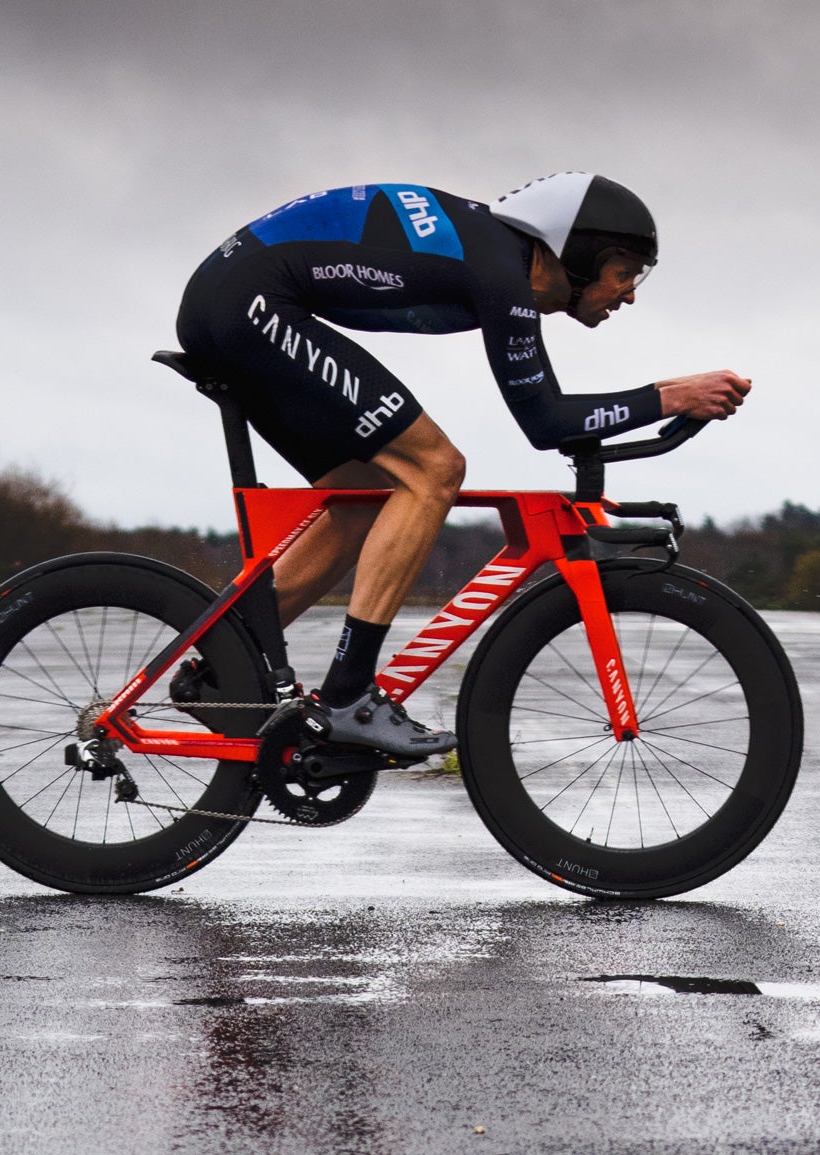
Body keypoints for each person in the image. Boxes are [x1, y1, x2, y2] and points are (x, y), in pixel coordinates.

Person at [173, 172, 752, 759]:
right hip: (249, 304)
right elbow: (546, 422)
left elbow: (546, 416)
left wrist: (666, 394)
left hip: (231, 301)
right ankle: (349, 698)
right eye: (624, 272)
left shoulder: (496, 256)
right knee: (434, 470)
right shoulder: (500, 272)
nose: (628, 293)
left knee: (363, 501)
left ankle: (219, 672)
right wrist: (667, 398)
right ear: (577, 254)